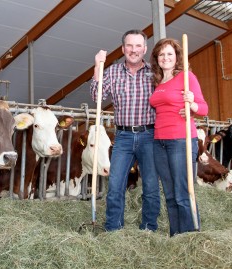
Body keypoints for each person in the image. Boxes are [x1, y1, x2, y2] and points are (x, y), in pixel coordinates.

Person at [90, 29, 160, 232]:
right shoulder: (111, 71)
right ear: (123, 49)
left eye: (138, 46)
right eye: (129, 45)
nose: (134, 50)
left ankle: (149, 228)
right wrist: (98, 65)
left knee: (151, 186)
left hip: (149, 135)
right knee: (115, 185)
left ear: (145, 49)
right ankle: (113, 229)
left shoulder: (154, 73)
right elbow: (97, 96)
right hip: (123, 136)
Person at [149, 38, 208, 236]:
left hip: (180, 139)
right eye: (162, 54)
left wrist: (192, 106)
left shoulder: (186, 77)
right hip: (159, 141)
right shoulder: (157, 82)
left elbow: (204, 108)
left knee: (183, 192)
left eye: (169, 54)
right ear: (157, 58)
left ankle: (191, 236)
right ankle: (176, 235)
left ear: (177, 58)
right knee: (170, 193)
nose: (165, 58)